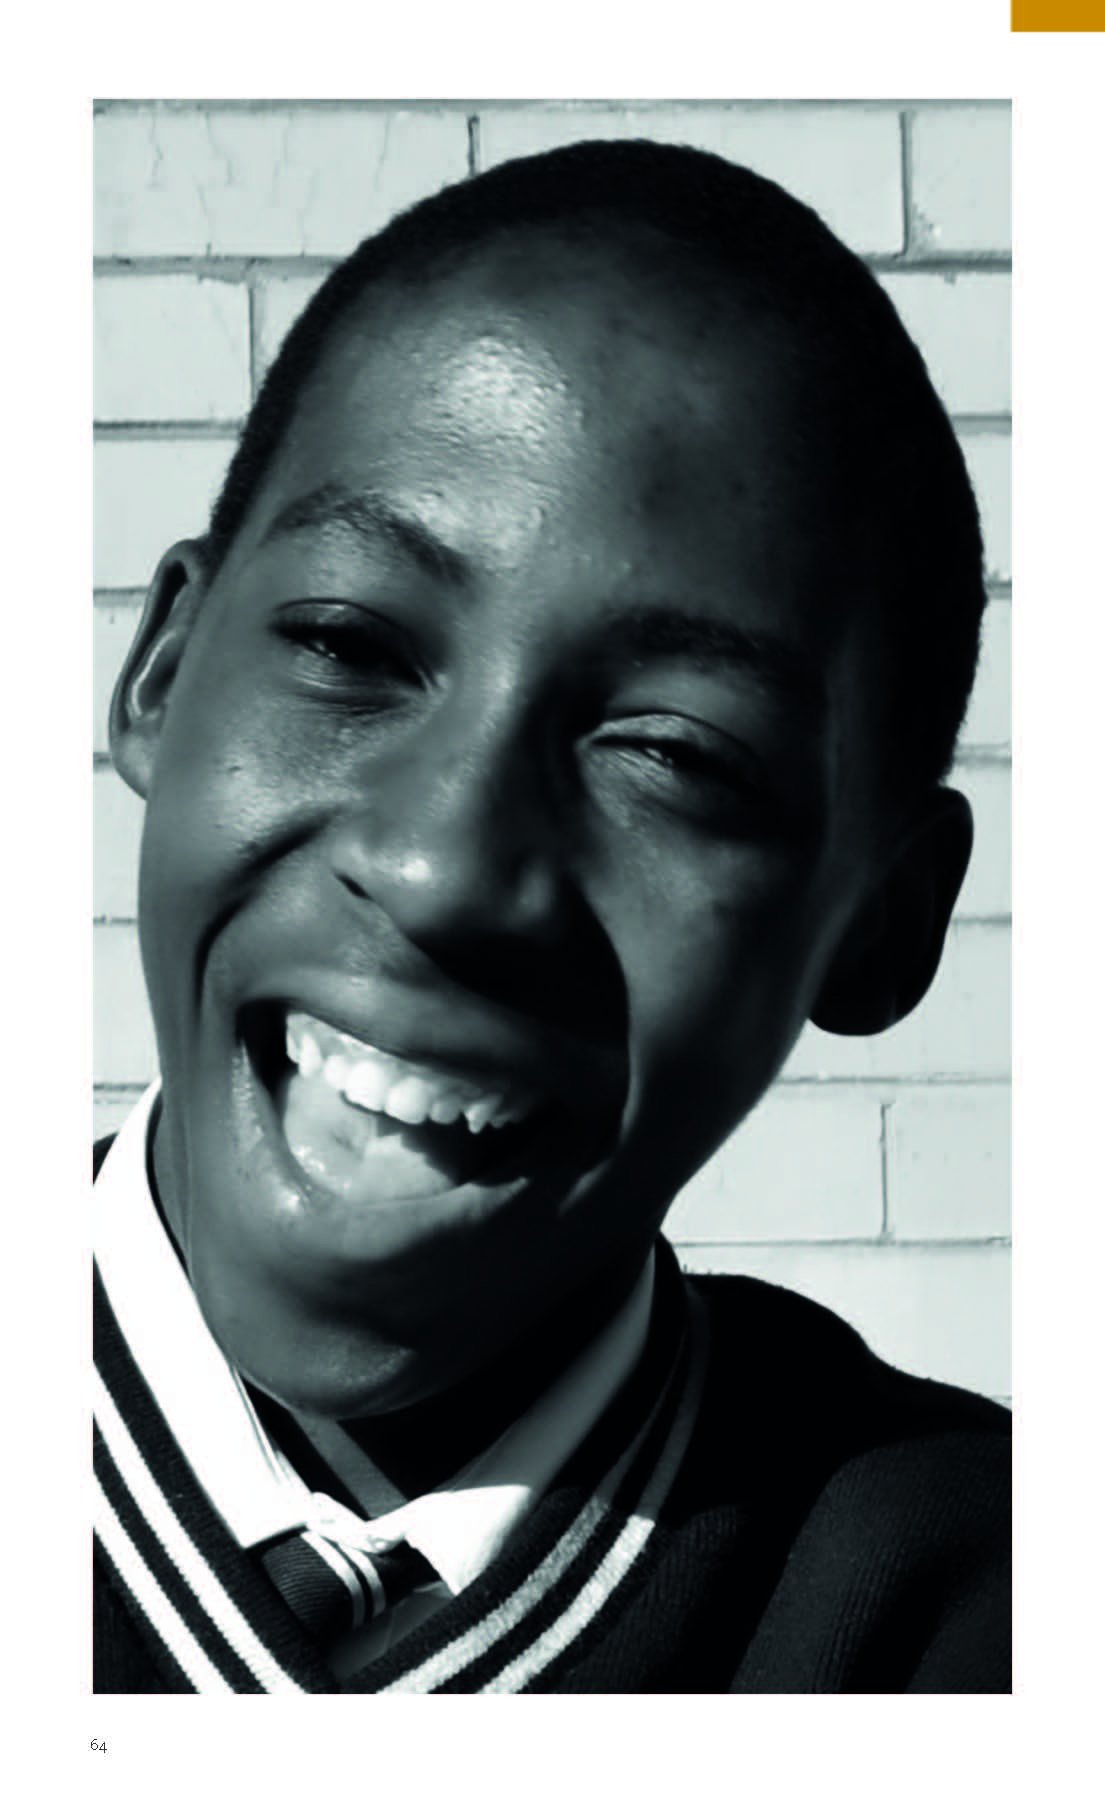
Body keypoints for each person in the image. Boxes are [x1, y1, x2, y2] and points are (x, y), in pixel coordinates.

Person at [93, 137, 1010, 1694]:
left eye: (673, 754)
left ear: (881, 920)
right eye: (348, 644)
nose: (445, 865)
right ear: (165, 676)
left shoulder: (985, 1609)